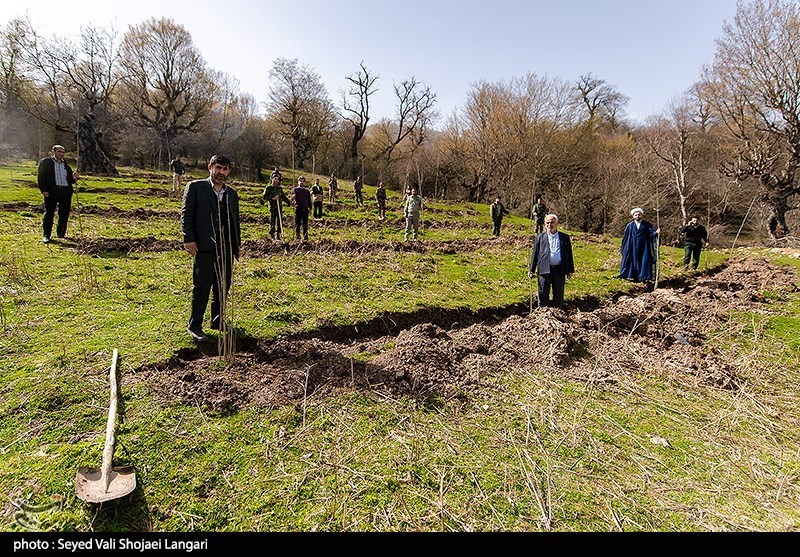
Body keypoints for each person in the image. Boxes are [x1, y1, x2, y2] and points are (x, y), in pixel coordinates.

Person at [181, 154, 241, 342]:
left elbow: (235, 220)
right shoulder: (196, 187)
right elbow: (186, 214)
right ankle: (195, 326)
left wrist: (237, 243)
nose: (221, 172)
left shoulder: (232, 194)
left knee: (223, 286)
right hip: (204, 246)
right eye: (218, 168)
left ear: (229, 171)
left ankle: (217, 320)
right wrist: (188, 239)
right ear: (210, 168)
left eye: (225, 169)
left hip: (226, 247)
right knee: (202, 287)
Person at [528, 213, 575, 309]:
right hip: (544, 269)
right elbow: (535, 255)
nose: (549, 225)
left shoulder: (564, 237)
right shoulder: (540, 238)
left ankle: (558, 314)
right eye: (547, 223)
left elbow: (569, 254)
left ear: (557, 223)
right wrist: (531, 270)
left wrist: (570, 270)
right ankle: (542, 316)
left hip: (559, 270)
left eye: (552, 222)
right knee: (543, 294)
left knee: (558, 294)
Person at [38, 144, 80, 243]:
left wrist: (75, 177)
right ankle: (46, 235)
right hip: (52, 191)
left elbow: (71, 180)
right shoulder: (46, 162)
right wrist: (44, 190)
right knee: (49, 213)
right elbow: (41, 177)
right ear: (53, 152)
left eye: (63, 152)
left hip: (65, 191)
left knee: (64, 214)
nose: (61, 154)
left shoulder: (66, 165)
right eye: (59, 152)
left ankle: (61, 234)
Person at [619, 207, 660, 283]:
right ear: (633, 216)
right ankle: (632, 276)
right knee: (632, 261)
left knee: (643, 261)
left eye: (639, 214)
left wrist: (656, 233)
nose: (637, 216)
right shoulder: (630, 225)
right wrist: (623, 247)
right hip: (632, 247)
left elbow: (652, 233)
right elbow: (626, 237)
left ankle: (643, 277)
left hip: (644, 247)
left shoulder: (647, 225)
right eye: (636, 215)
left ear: (642, 215)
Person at [261, 174, 290, 240]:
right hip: (272, 207)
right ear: (272, 179)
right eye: (275, 179)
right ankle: (272, 235)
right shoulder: (268, 188)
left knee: (279, 221)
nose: (276, 181)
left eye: (277, 179)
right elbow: (264, 197)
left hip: (279, 207)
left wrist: (289, 202)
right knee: (272, 221)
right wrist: (272, 198)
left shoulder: (279, 189)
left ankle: (278, 235)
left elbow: (283, 197)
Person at [291, 176, 312, 241]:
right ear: (298, 182)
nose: (301, 182)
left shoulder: (307, 191)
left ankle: (305, 236)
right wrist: (293, 197)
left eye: (303, 181)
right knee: (298, 223)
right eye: (300, 181)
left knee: (305, 224)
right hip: (298, 208)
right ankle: (298, 236)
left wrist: (310, 208)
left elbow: (309, 200)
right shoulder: (295, 190)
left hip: (305, 209)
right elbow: (291, 199)